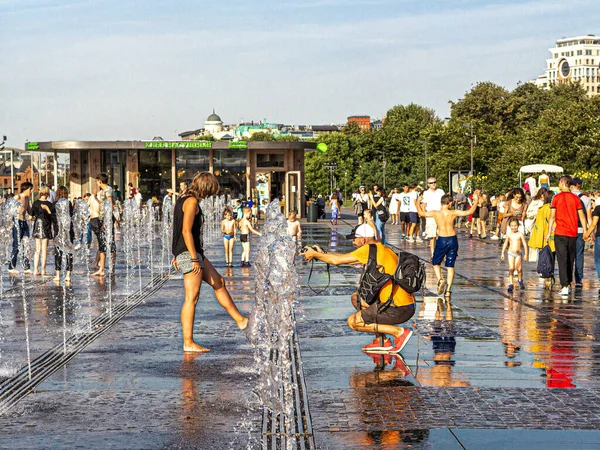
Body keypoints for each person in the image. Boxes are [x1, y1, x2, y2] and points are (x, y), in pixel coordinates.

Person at [302, 224, 415, 354]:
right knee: (357, 298)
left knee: (353, 322)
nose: (353, 242)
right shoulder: (381, 249)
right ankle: (381, 340)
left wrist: (315, 254)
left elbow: (337, 261)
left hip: (397, 308)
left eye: (355, 239)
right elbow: (344, 259)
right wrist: (321, 254)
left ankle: (399, 333)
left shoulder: (368, 249)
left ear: (363, 239)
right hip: (404, 306)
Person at [171, 172, 248, 352]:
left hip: (192, 253)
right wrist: (191, 258)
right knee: (192, 297)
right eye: (210, 192)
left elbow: (177, 228)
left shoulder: (184, 199)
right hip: (191, 254)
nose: (209, 196)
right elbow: (185, 231)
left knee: (219, 283)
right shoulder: (191, 202)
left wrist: (178, 253)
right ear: (205, 188)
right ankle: (188, 343)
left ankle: (241, 321)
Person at [416, 192, 478, 297]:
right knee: (450, 266)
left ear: (441, 203)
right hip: (452, 239)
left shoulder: (436, 213)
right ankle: (448, 291)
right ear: (449, 203)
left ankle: (440, 279)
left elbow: (421, 213)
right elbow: (470, 211)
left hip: (442, 239)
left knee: (436, 262)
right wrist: (476, 200)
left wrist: (418, 201)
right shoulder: (453, 212)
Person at [546, 176, 587, 296]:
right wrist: (585, 231)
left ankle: (565, 285)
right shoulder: (575, 199)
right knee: (570, 259)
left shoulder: (556, 197)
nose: (558, 184)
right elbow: (582, 216)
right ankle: (568, 283)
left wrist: (548, 232)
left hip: (560, 233)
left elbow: (552, 217)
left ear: (563, 183)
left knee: (562, 259)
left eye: (559, 182)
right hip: (573, 233)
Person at [88, 173, 114, 277]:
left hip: (105, 220)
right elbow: (103, 204)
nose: (96, 183)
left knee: (108, 244)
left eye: (97, 181)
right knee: (102, 243)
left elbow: (109, 204)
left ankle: (109, 268)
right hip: (102, 218)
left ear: (100, 181)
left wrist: (105, 222)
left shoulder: (108, 190)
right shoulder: (103, 191)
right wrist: (95, 197)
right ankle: (102, 268)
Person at [570, 177, 592, 289]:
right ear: (580, 185)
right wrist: (589, 232)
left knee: (568, 255)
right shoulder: (586, 199)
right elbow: (589, 218)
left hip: (568, 230)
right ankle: (578, 280)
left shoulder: (567, 197)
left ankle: (567, 280)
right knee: (579, 255)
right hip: (580, 230)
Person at [8, 182, 33, 274]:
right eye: (31, 189)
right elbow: (9, 206)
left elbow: (30, 211)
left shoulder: (27, 199)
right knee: (16, 245)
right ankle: (11, 267)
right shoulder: (17, 197)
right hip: (17, 223)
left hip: (24, 223)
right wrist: (15, 210)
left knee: (26, 245)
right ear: (26, 189)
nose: (32, 191)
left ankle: (26, 267)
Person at [31, 186, 54, 276]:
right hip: (46, 226)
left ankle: (35, 269)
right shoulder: (49, 204)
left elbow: (32, 215)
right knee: (44, 250)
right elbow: (51, 216)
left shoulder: (35, 203)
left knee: (37, 250)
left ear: (40, 193)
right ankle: (43, 270)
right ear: (47, 193)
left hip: (37, 225)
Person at [53, 185, 74, 283]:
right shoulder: (68, 203)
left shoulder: (55, 204)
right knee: (69, 252)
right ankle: (68, 275)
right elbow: (72, 215)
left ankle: (57, 275)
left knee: (58, 252)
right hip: (69, 231)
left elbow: (52, 217)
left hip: (58, 231)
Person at [501, 217, 529, 292]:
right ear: (510, 226)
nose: (514, 227)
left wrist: (526, 254)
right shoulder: (509, 234)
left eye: (515, 226)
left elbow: (525, 244)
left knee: (519, 269)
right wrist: (502, 253)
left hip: (518, 254)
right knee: (511, 268)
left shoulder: (520, 234)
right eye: (512, 226)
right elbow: (505, 243)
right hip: (510, 253)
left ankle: (520, 280)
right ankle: (510, 283)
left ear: (518, 226)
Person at [420, 178, 445, 257]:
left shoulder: (441, 192)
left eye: (435, 182)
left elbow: (445, 202)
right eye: (431, 183)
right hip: (430, 216)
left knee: (442, 235)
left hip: (440, 215)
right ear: (428, 184)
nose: (433, 184)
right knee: (432, 236)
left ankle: (442, 254)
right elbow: (423, 205)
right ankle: (433, 254)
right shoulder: (426, 193)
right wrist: (425, 214)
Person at [583, 199, 600, 295]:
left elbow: (594, 224)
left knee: (598, 260)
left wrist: (587, 234)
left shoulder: (598, 209)